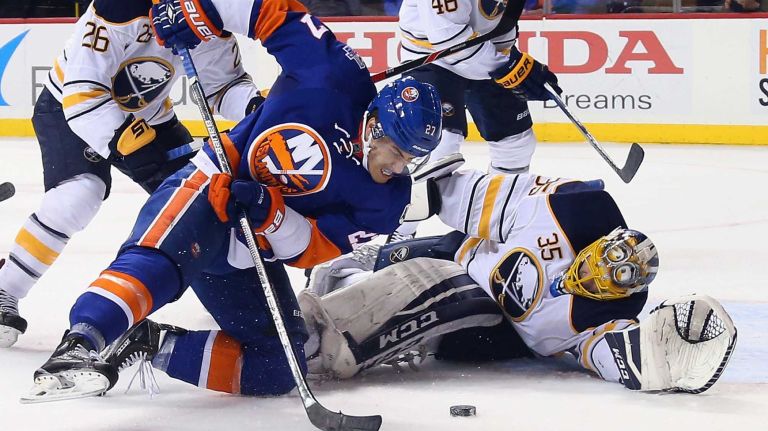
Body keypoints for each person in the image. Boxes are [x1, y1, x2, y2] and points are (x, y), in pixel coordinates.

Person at [23, 0, 443, 402]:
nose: (399, 167)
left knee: (279, 364)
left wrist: (270, 214)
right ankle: (79, 345)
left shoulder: (387, 200)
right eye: (397, 151)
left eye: (411, 158)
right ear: (373, 126)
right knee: (160, 264)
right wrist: (198, 8)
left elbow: (315, 248)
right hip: (211, 184)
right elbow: (270, 9)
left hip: (249, 248)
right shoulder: (332, 72)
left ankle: (152, 343)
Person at [297, 167, 737, 393]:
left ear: (621, 293)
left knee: (439, 287)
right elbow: (486, 198)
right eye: (597, 259)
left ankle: (319, 344)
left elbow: (627, 357)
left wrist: (666, 355)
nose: (590, 274)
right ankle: (313, 301)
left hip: (490, 329)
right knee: (352, 263)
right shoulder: (573, 210)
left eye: (605, 279)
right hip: (460, 250)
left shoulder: (605, 319)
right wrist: (426, 193)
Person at [0, 0, 263, 348]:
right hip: (70, 107)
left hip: (150, 118)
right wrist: (130, 147)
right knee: (79, 194)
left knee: (201, 205)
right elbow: (82, 93)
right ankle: (6, 288)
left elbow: (222, 86)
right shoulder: (119, 6)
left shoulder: (207, 13)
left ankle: (235, 304)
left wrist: (256, 107)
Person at [388, 0, 563, 243]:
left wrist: (518, 67)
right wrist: (510, 69)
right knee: (439, 147)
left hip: (485, 52)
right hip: (432, 58)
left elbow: (502, 22)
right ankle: (399, 235)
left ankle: (493, 223)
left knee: (516, 144)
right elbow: (450, 43)